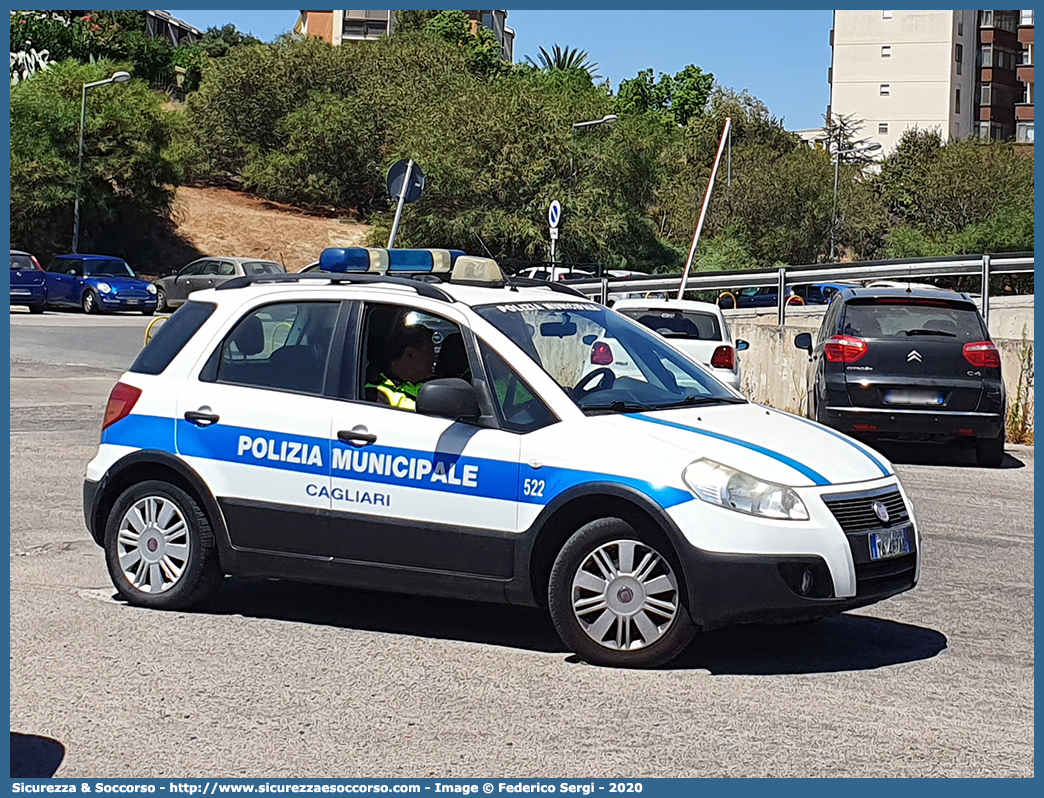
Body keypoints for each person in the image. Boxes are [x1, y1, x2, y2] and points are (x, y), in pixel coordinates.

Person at [366, 323, 436, 410]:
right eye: (429, 351)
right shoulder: (378, 392)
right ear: (409, 354)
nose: (435, 358)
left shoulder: (425, 384)